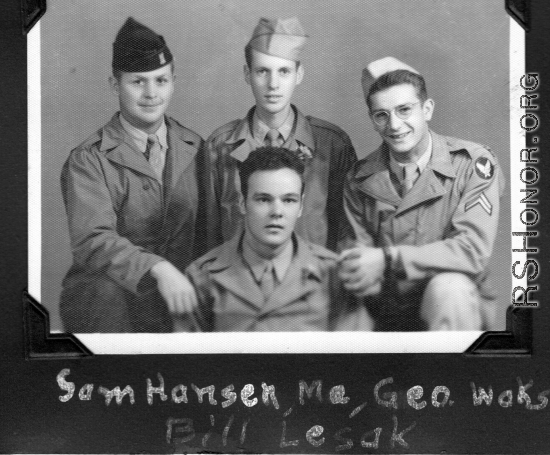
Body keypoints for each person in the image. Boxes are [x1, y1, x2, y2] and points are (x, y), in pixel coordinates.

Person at [59, 17, 206, 333]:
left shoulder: (197, 148)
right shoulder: (88, 159)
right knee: (103, 294)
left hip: (181, 293)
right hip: (111, 296)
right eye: (138, 82)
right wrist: (158, 268)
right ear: (115, 85)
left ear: (173, 81)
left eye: (161, 81)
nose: (152, 93)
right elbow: (93, 240)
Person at [339, 57, 505, 331]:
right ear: (372, 120)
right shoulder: (359, 179)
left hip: (454, 307)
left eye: (404, 110)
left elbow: (471, 250)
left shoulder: (473, 163)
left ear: (427, 109)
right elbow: (358, 259)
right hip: (386, 310)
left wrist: (388, 259)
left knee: (448, 288)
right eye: (382, 114)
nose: (394, 125)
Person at [206, 17, 357, 252]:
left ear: (299, 74)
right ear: (247, 74)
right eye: (262, 71)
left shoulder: (332, 144)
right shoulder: (220, 145)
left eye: (284, 71)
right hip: (239, 281)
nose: (273, 84)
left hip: (312, 281)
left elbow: (347, 233)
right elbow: (208, 235)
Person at [184, 147, 367, 332]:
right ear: (242, 203)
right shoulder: (201, 277)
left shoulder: (335, 275)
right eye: (263, 199)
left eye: (289, 200)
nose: (277, 212)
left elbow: (352, 356)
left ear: (301, 206)